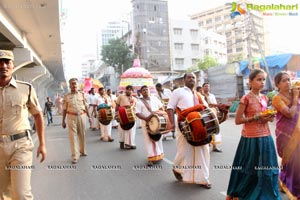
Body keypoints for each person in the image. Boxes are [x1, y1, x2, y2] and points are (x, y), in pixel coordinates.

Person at [226, 69, 280, 200]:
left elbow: (265, 117)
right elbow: (238, 120)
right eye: (258, 79)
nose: (262, 82)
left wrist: (269, 117)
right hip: (250, 139)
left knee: (267, 167)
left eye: (263, 80)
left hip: (265, 137)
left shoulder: (265, 98)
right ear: (250, 81)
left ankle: (264, 193)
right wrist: (254, 117)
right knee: (249, 168)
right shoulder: (246, 99)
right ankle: (244, 192)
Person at [0, 49, 46, 199]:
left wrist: (42, 144)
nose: (3, 66)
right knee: (3, 194)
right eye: (0, 63)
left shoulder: (25, 88)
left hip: (20, 146)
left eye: (7, 62)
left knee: (20, 193)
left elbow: (38, 115)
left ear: (13, 65)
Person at [167, 72, 212, 189]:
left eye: (193, 77)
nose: (191, 79)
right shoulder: (178, 92)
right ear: (184, 80)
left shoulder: (199, 95)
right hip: (183, 126)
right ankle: (177, 168)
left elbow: (207, 109)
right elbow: (170, 108)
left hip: (199, 127)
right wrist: (171, 123)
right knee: (183, 151)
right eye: (189, 77)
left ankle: (203, 179)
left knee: (204, 150)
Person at [272, 71, 300, 199]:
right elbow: (289, 113)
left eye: (289, 80)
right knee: (290, 162)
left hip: (298, 132)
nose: (288, 82)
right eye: (284, 80)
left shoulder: (295, 93)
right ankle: (285, 183)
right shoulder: (277, 98)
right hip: (285, 135)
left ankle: (289, 184)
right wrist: (295, 98)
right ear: (277, 84)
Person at [62, 78, 91, 164]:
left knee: (82, 134)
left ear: (77, 85)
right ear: (70, 85)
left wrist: (89, 118)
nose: (74, 85)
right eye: (72, 84)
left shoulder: (82, 94)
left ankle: (82, 151)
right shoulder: (66, 96)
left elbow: (86, 106)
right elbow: (64, 109)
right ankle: (75, 155)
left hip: (82, 116)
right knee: (73, 136)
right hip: (71, 117)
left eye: (75, 83)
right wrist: (63, 121)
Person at [136, 85, 165, 166]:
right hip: (146, 123)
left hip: (157, 122)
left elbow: (161, 108)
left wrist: (161, 115)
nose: (145, 91)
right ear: (141, 92)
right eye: (143, 90)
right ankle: (151, 158)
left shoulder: (155, 98)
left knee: (158, 138)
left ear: (149, 90)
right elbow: (137, 113)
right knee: (148, 140)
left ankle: (160, 155)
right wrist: (146, 119)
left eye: (146, 89)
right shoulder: (139, 101)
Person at [202, 82, 222, 152]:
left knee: (214, 130)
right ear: (203, 87)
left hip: (213, 115)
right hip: (204, 116)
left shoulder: (212, 95)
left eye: (208, 86)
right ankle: (206, 146)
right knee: (206, 131)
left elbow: (215, 104)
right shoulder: (201, 96)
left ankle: (214, 146)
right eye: (205, 86)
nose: (207, 88)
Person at [115, 85, 137, 149]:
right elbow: (117, 106)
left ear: (132, 91)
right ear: (126, 90)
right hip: (122, 115)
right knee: (122, 129)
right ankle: (122, 142)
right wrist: (116, 115)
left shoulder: (134, 99)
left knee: (131, 130)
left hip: (131, 116)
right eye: (128, 89)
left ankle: (129, 144)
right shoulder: (121, 96)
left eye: (131, 90)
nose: (129, 91)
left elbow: (135, 108)